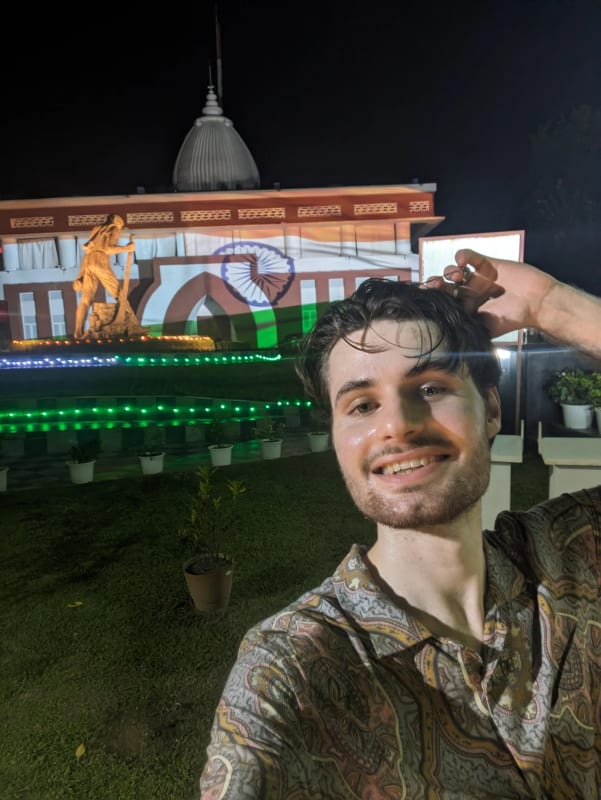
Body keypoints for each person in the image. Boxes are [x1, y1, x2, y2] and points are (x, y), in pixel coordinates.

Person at [198, 249, 601, 799]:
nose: (399, 427)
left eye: (431, 388)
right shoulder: (292, 675)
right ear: (337, 440)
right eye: (362, 405)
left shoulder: (575, 553)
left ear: (491, 409)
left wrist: (551, 305)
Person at [72, 213, 135, 338]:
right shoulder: (114, 229)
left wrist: (81, 275)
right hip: (100, 261)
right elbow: (108, 249)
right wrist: (127, 248)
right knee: (118, 293)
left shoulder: (96, 229)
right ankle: (132, 322)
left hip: (89, 262)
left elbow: (88, 252)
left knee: (86, 300)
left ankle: (77, 331)